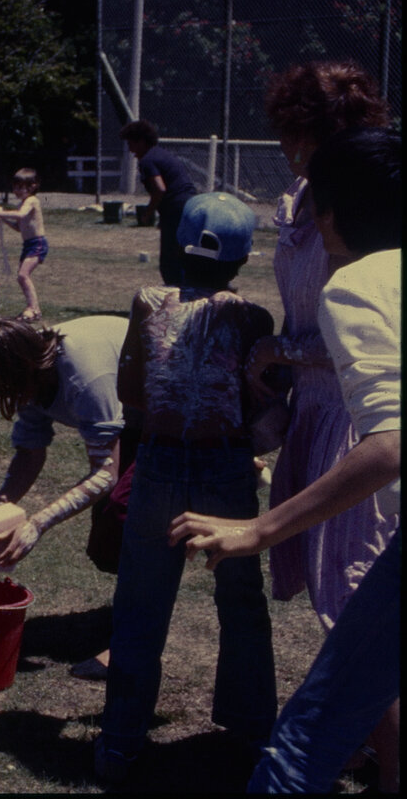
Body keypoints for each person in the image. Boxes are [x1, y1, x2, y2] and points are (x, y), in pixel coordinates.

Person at [170, 127, 399, 794]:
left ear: (326, 215)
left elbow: (390, 443)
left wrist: (259, 530)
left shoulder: (356, 285)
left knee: (297, 753)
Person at [94, 191, 277, 787]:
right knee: (241, 598)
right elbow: (257, 403)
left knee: (139, 607)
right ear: (243, 260)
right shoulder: (252, 319)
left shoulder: (147, 303)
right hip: (225, 469)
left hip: (159, 467)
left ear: (178, 247)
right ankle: (251, 730)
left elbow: (132, 392)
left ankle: (118, 743)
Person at [249, 63, 392, 633]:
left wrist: (281, 351)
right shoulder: (301, 199)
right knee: (327, 586)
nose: (290, 148)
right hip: (312, 409)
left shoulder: (359, 212)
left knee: (352, 591)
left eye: (301, 134)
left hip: (352, 414)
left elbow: (361, 339)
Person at [0, 315, 128, 678]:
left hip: (164, 412)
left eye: (3, 390)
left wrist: (38, 523)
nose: (5, 400)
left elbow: (106, 473)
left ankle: (132, 645)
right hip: (131, 417)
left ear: (19, 371)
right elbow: (30, 452)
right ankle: (133, 616)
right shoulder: (30, 373)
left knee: (126, 520)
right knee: (108, 544)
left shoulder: (84, 376)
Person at [120, 119, 198, 286]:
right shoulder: (161, 154)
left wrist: (148, 212)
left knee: (170, 262)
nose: (129, 148)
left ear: (141, 141)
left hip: (176, 209)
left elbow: (160, 189)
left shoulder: (147, 160)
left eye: (131, 142)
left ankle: (177, 295)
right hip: (190, 205)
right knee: (184, 255)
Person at [0, 167, 47, 321]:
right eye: (14, 187)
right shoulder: (23, 203)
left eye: (20, 187)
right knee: (22, 277)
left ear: (32, 186)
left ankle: (33, 309)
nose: (16, 191)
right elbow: (19, 227)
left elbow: (20, 215)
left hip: (37, 244)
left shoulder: (32, 200)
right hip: (28, 244)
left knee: (23, 275)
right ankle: (34, 308)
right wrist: (3, 219)